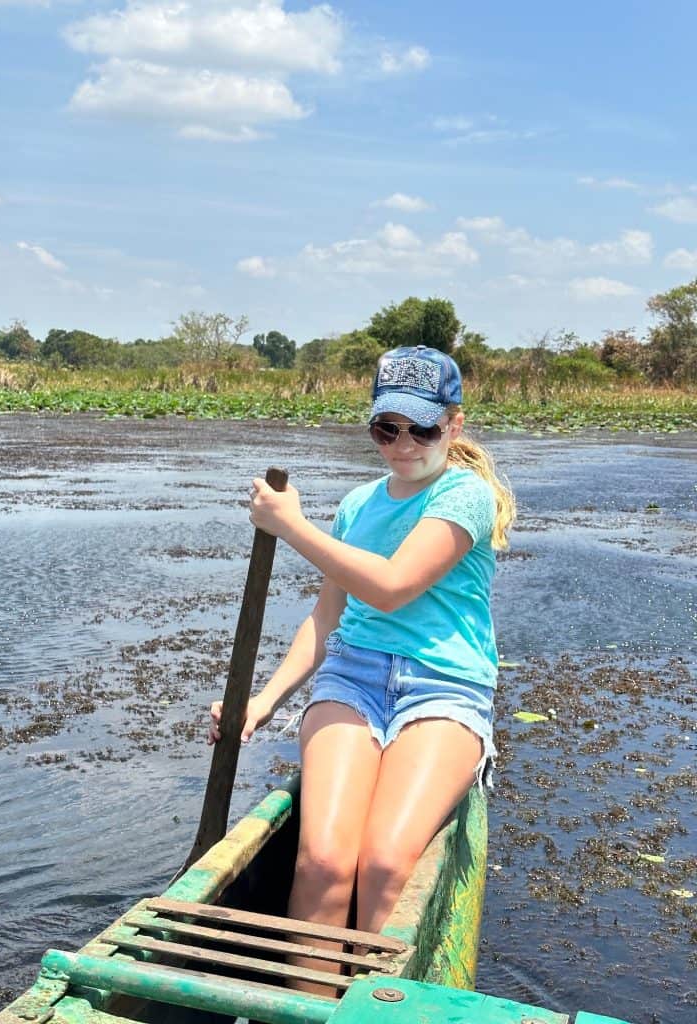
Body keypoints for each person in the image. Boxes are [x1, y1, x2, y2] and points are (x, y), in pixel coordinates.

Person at [209, 344, 515, 973]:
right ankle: (307, 1004)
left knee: (385, 863)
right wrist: (263, 701)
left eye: (422, 427)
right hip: (352, 679)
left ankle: (375, 1003)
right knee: (322, 862)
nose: (404, 443)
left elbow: (393, 584)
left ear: (453, 425)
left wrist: (292, 527)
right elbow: (328, 618)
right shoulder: (358, 503)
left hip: (443, 686)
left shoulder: (465, 496)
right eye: (387, 427)